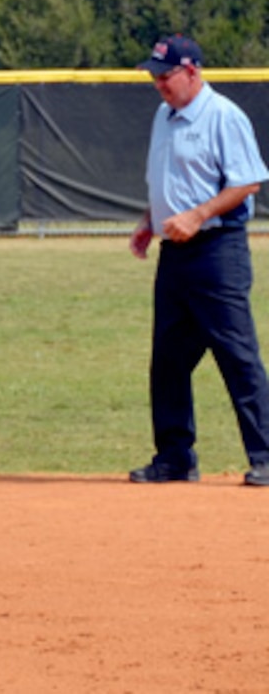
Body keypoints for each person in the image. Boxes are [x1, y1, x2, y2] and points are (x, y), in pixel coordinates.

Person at [128, 35, 269, 487]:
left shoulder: (222, 116)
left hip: (217, 251)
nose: (158, 84)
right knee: (168, 360)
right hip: (175, 254)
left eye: (165, 75)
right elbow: (169, 178)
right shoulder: (163, 117)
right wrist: (151, 219)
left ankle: (266, 456)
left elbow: (248, 183)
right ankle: (174, 457)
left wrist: (198, 214)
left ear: (192, 71)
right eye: (154, 76)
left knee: (237, 355)